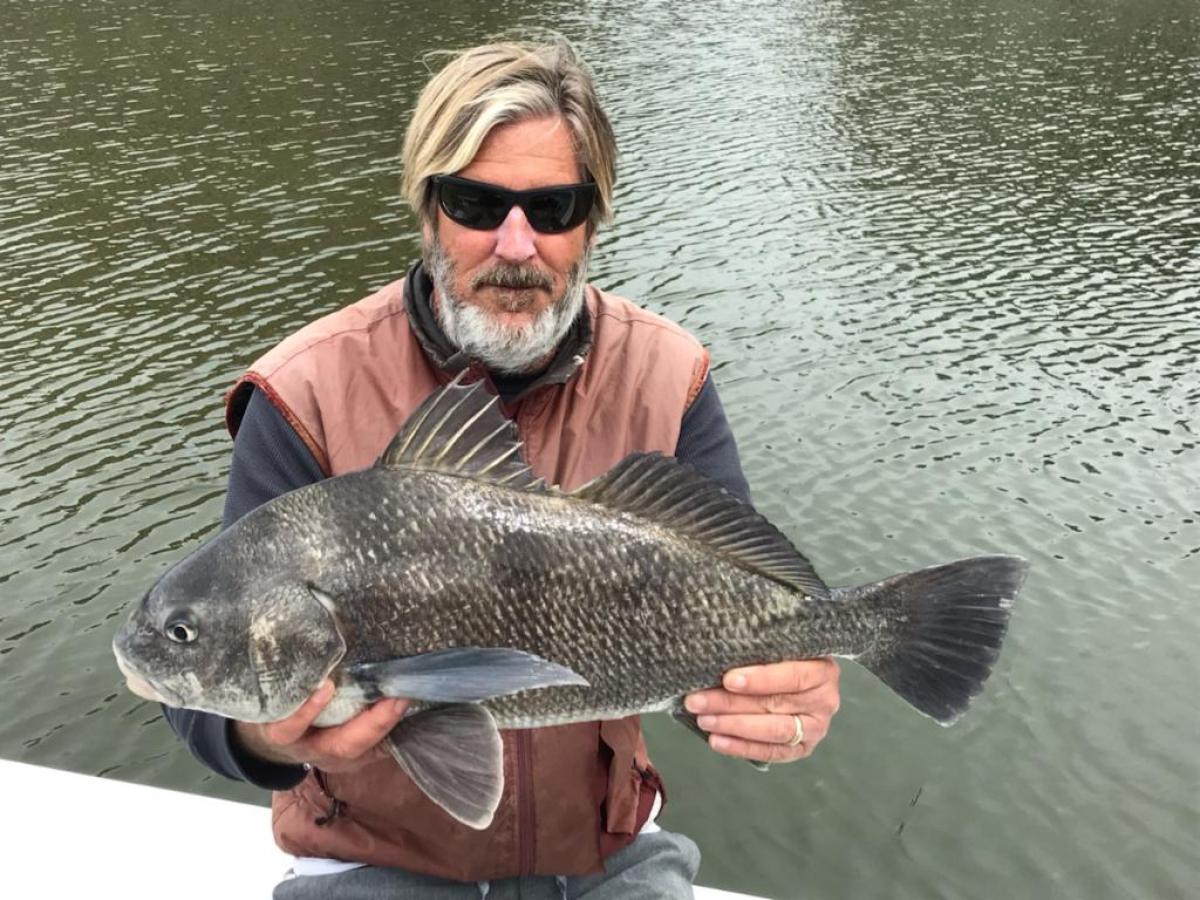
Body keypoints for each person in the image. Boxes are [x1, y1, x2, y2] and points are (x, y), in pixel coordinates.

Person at [164, 38, 841, 899]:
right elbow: (203, 675)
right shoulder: (301, 393)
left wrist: (772, 703)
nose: (515, 243)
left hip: (607, 857)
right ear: (427, 207)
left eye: (552, 207)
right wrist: (274, 739)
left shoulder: (673, 378)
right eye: (478, 203)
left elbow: (730, 607)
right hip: (374, 860)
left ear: (591, 220)